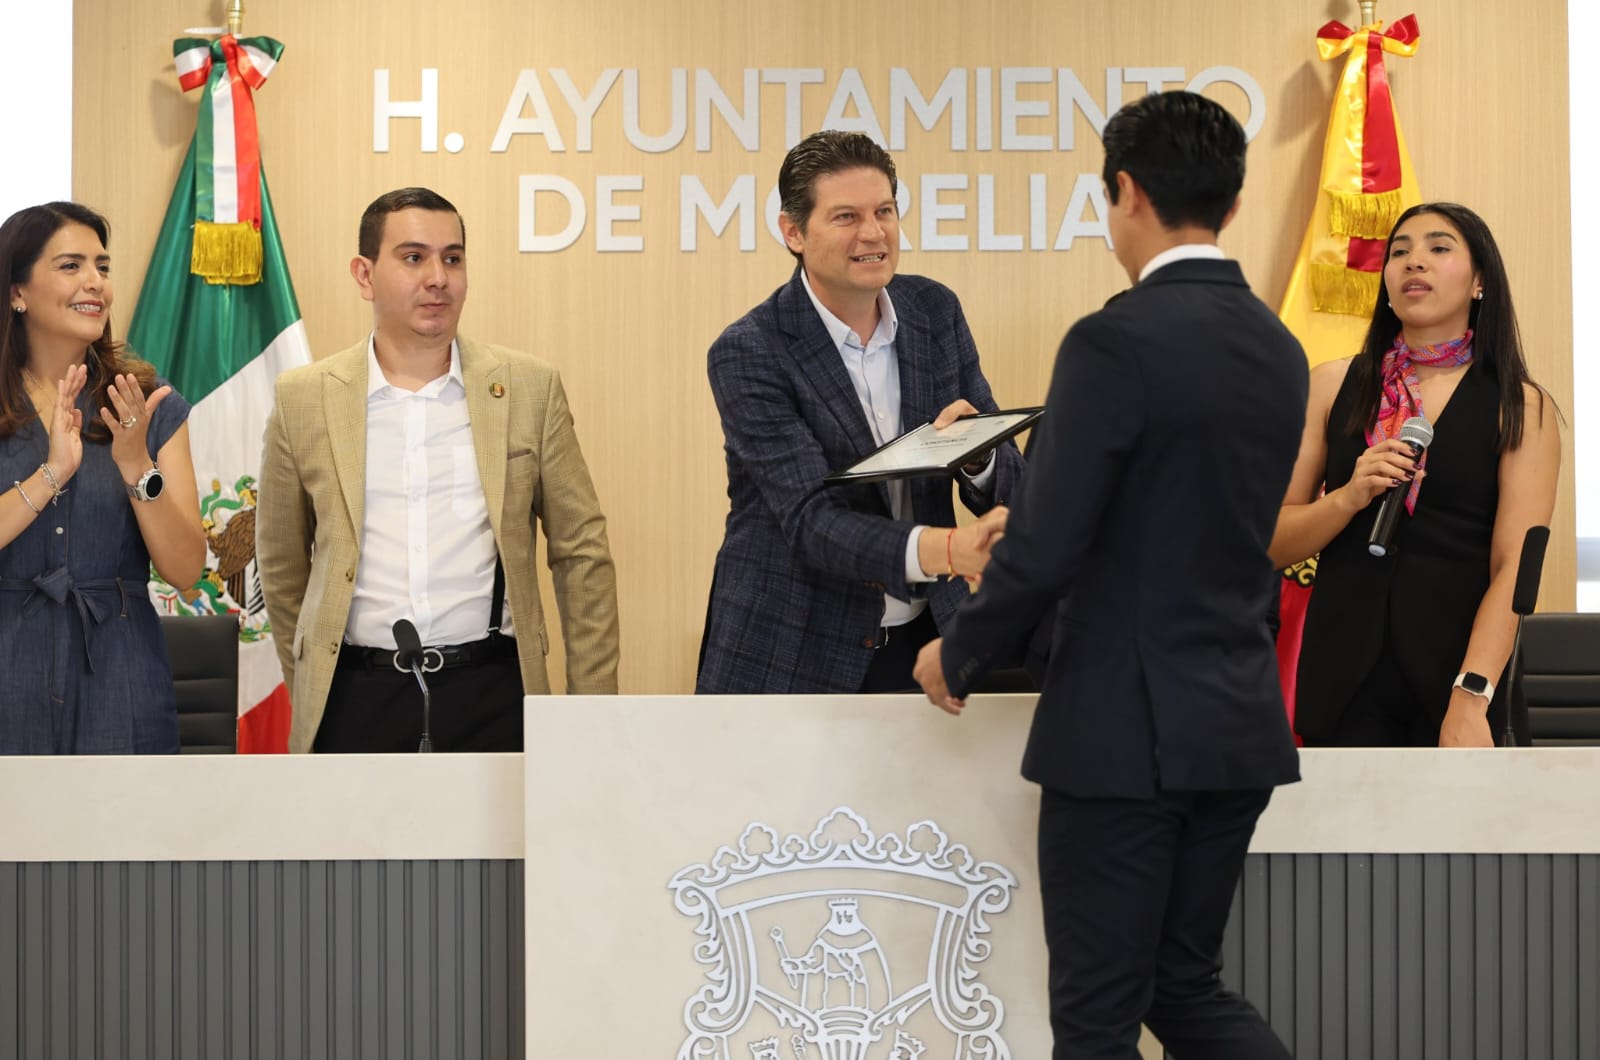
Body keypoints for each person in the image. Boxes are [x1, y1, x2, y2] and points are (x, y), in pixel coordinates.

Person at [914, 91, 1303, 1058]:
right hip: (1237, 720)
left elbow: (1047, 541)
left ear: (1124, 191)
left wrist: (959, 650)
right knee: (1185, 989)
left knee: (1095, 1020)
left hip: (1126, 730)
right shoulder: (1280, 347)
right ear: (1234, 202)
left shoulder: (1114, 340)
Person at [255, 187, 619, 754]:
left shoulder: (529, 389)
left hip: (493, 691)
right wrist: (312, 673)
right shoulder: (304, 398)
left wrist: (590, 712)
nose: (438, 278)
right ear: (364, 275)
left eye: (453, 258)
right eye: (413, 257)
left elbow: (582, 552)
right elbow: (281, 564)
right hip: (354, 697)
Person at [698, 131, 1023, 695]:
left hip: (925, 637)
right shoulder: (750, 350)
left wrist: (978, 458)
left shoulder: (934, 311)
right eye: (846, 216)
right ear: (793, 232)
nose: (873, 233)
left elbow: (1011, 479)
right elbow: (811, 521)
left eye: (884, 211)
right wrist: (951, 550)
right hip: (793, 648)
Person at [1271, 202, 1560, 747]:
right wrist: (1347, 498)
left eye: (1438, 248)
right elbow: (1271, 543)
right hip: (1343, 684)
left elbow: (1514, 566)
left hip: (1461, 684)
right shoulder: (1331, 386)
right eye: (1399, 251)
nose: (1414, 261)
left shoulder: (1520, 405)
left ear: (1479, 281)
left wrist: (1471, 694)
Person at [0, 202, 206, 754]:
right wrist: (52, 473)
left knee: (123, 811)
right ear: (17, 291)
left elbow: (186, 569)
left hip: (120, 672)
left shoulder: (150, 403)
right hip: (8, 667)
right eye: (71, 265)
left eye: (103, 266)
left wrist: (137, 465)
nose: (95, 282)